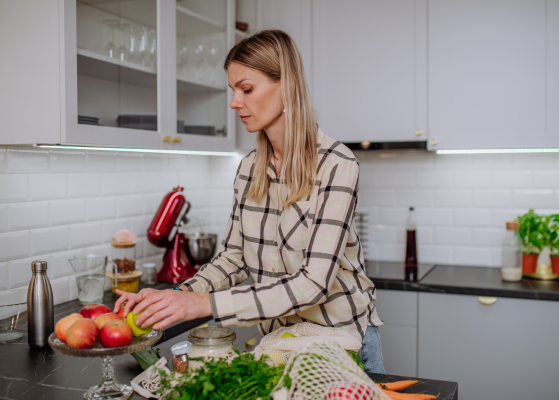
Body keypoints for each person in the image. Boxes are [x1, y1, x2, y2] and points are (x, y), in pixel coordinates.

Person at [114, 29, 385, 373]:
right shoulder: (249, 169)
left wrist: (203, 304)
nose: (234, 102)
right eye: (233, 90)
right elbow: (234, 257)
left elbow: (313, 284)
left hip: (342, 347)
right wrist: (177, 296)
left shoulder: (336, 164)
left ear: (287, 85)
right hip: (280, 348)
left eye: (247, 89)